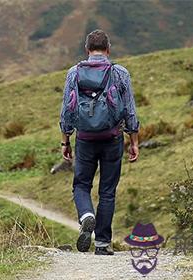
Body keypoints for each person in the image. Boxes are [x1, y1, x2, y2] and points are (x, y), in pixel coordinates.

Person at [59, 30, 139, 255]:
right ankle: (103, 243)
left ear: (87, 50)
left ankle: (86, 215)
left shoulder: (74, 73)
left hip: (84, 138)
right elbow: (130, 110)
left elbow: (67, 109)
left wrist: (65, 140)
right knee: (107, 191)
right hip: (112, 137)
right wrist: (133, 140)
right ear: (108, 49)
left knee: (81, 185)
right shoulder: (120, 73)